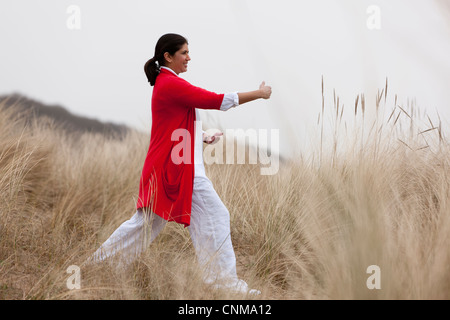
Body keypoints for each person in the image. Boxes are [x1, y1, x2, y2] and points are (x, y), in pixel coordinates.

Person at [87, 33, 272, 295]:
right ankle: (224, 285)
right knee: (213, 216)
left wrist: (203, 137)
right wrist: (260, 93)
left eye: (188, 52)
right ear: (168, 56)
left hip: (174, 167)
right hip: (174, 171)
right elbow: (215, 100)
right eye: (184, 52)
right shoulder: (169, 84)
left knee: (145, 224)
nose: (189, 57)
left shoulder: (167, 83)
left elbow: (174, 127)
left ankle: (98, 266)